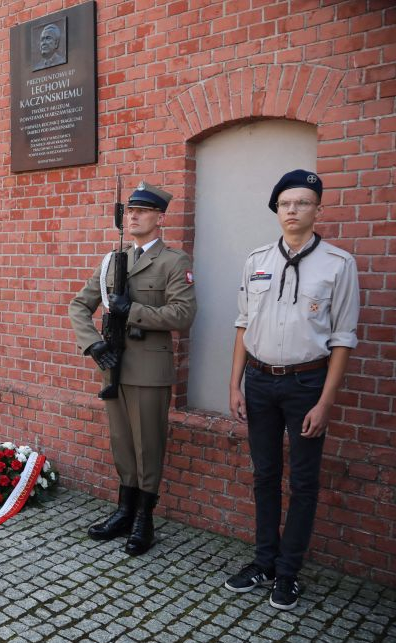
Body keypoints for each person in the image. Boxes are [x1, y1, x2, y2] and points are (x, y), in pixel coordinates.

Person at [224, 169, 359, 610]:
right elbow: (243, 324)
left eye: (302, 203)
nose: (293, 210)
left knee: (302, 482)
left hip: (307, 384)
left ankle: (288, 572)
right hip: (260, 382)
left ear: (317, 208)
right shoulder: (257, 260)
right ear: (276, 210)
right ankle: (264, 561)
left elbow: (343, 338)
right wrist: (236, 384)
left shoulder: (338, 265)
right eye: (285, 203)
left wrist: (325, 402)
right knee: (264, 476)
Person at [69, 182, 197, 556]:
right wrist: (92, 344)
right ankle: (124, 509)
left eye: (143, 211)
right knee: (123, 442)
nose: (134, 216)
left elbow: (184, 314)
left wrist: (133, 311)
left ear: (160, 217)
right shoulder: (112, 260)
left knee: (148, 445)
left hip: (149, 368)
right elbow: (79, 304)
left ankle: (145, 517)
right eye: (130, 211)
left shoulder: (174, 261)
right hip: (113, 366)